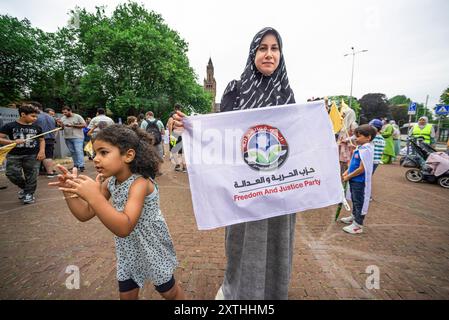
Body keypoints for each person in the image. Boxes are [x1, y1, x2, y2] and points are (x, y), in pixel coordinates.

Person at [175, 27, 296, 299]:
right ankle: (240, 292)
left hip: (280, 189)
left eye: (274, 48)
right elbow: (221, 134)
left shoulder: (288, 93)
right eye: (262, 48)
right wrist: (190, 128)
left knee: (278, 242)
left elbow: (295, 140)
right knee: (244, 242)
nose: (268, 54)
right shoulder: (236, 89)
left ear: (281, 54)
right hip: (246, 186)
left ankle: (273, 293)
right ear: (253, 54)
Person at [49, 125, 184, 300]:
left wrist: (94, 196)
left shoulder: (140, 183)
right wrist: (69, 191)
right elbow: (84, 214)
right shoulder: (110, 182)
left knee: (169, 292)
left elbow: (124, 226)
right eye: (95, 153)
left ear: (128, 155)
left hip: (151, 245)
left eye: (103, 153)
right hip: (127, 248)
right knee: (126, 295)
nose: (96, 159)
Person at [0, 104, 45, 204]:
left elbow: (42, 140)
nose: (35, 118)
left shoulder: (37, 127)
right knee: (11, 174)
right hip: (14, 155)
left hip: (33, 155)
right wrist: (13, 142)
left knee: (32, 175)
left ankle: (29, 194)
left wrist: (42, 151)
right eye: (33, 116)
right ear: (23, 114)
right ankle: (26, 188)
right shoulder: (10, 126)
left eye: (36, 116)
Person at [340, 124, 376, 234]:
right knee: (355, 201)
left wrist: (348, 176)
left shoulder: (367, 150)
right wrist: (346, 173)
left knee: (359, 202)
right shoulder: (360, 148)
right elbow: (352, 165)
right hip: (354, 180)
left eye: (359, 136)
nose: (356, 138)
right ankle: (354, 217)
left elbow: (362, 169)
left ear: (368, 137)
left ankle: (358, 225)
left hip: (359, 182)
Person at [58, 106, 87, 172]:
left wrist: (72, 126)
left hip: (78, 137)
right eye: (63, 112)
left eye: (65, 112)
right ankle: (76, 165)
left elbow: (84, 125)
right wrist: (60, 124)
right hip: (67, 137)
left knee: (78, 150)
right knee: (72, 151)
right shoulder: (63, 118)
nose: (64, 114)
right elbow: (62, 128)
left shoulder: (77, 116)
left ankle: (81, 165)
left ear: (70, 111)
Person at [33, 102, 58, 178]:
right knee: (48, 156)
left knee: (38, 155)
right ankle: (50, 172)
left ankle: (36, 174)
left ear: (36, 108)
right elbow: (56, 128)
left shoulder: (35, 117)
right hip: (50, 138)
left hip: (40, 139)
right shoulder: (51, 117)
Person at [167, 104, 186, 172]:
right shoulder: (183, 117)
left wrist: (170, 135)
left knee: (174, 150)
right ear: (180, 108)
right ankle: (184, 167)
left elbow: (170, 125)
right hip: (182, 134)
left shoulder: (172, 115)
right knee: (182, 151)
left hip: (174, 134)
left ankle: (177, 165)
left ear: (174, 108)